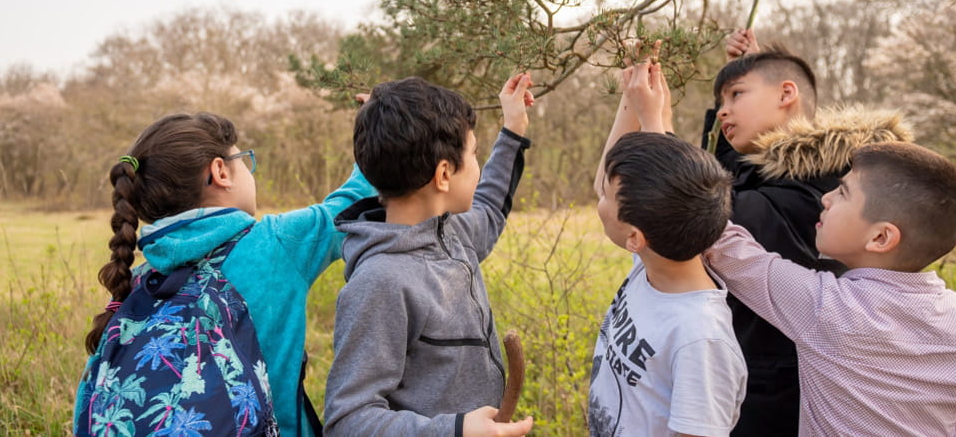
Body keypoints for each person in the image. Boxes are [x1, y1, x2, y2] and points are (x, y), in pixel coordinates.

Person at [702, 141, 956, 436]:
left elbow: (727, 247)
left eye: (842, 192)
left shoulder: (825, 308)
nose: (826, 198)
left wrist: (659, 129)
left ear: (881, 237)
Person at [74, 112, 374, 437]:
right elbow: (355, 202)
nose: (250, 171)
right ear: (220, 171)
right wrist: (375, 126)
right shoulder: (275, 245)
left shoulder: (140, 279)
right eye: (244, 160)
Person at [704, 29, 910, 435]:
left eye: (736, 96)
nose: (723, 111)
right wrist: (745, 73)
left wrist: (656, 127)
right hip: (760, 372)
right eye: (720, 102)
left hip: (786, 392)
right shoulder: (787, 170)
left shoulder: (830, 187)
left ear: (786, 94)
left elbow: (709, 215)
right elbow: (732, 172)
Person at [323, 73, 536, 437]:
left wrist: (513, 128)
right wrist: (456, 430)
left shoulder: (452, 234)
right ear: (443, 174)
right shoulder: (380, 283)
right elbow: (348, 420)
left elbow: (490, 205)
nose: (477, 166)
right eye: (473, 155)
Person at [587, 61, 747, 437]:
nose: (599, 200)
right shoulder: (656, 256)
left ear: (634, 238)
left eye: (607, 198)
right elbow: (617, 179)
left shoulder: (700, 338)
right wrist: (634, 104)